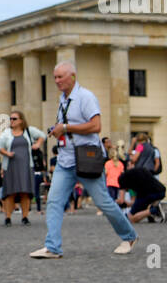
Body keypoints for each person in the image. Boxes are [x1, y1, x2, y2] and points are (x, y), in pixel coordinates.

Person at [29, 62, 137, 259]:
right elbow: (68, 125)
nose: (57, 81)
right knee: (53, 201)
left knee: (103, 202)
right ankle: (52, 247)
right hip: (65, 160)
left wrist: (66, 128)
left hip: (86, 159)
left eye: (60, 77)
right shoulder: (63, 99)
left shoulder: (85, 97)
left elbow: (96, 126)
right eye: (55, 77)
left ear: (73, 77)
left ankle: (129, 236)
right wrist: (58, 130)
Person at [0, 108, 44, 225]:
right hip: (11, 166)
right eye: (10, 119)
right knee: (10, 192)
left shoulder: (28, 131)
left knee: (25, 192)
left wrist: (38, 143)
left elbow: (42, 135)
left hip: (26, 166)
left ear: (21, 120)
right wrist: (7, 153)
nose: (12, 121)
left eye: (14, 119)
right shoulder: (6, 133)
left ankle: (25, 216)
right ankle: (8, 217)